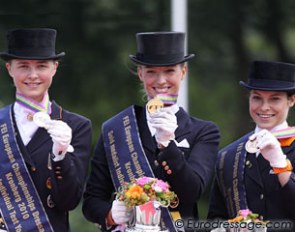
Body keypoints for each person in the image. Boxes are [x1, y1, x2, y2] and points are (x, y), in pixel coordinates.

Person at [82, 31, 220, 231]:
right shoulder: (115, 128)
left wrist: (168, 145)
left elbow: (192, 192)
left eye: (169, 71)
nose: (160, 80)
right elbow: (92, 200)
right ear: (140, 73)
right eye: (151, 72)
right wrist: (110, 214)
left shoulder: (203, 131)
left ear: (183, 72)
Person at [0, 28, 92, 232]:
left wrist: (60, 156)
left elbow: (69, 201)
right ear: (9, 69)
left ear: (54, 68)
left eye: (41, 66)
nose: (33, 75)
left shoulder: (77, 126)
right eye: (23, 66)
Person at [208, 60, 295, 231]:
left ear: (291, 100)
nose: (264, 107)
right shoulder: (228, 155)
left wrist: (281, 166)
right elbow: (215, 218)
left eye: (274, 99)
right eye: (257, 98)